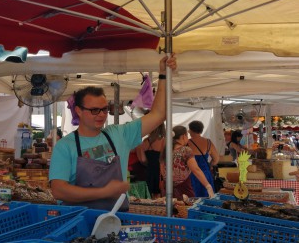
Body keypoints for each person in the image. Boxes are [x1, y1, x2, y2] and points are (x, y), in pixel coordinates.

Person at [49, 55, 176, 210]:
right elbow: (58, 190)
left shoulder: (119, 134)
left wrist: (163, 74)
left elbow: (158, 114)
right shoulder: (64, 146)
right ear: (78, 111)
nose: (101, 114)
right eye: (94, 110)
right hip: (79, 222)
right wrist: (103, 192)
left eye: (104, 109)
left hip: (116, 220)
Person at [166, 125, 215, 200]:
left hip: (168, 186)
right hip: (184, 187)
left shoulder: (167, 150)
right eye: (187, 135)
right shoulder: (186, 150)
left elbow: (163, 170)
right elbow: (195, 169)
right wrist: (208, 186)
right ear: (183, 136)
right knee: (185, 209)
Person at [187, 120, 220, 199]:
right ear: (201, 130)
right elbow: (216, 159)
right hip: (205, 174)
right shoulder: (208, 142)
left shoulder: (186, 143)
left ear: (190, 130)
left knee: (192, 200)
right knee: (207, 199)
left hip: (191, 174)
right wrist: (210, 165)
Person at [136, 123, 166, 197]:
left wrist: (148, 164)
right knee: (159, 195)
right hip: (159, 171)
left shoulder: (145, 141)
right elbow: (163, 159)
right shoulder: (163, 141)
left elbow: (142, 159)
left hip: (148, 170)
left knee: (150, 194)